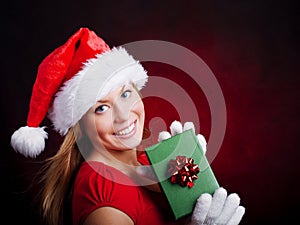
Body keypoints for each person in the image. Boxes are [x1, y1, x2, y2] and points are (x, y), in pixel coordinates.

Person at [11, 27, 245, 225]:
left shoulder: (144, 161)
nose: (123, 116)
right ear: (79, 126)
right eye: (101, 108)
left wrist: (193, 181)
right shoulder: (101, 186)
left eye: (125, 94)